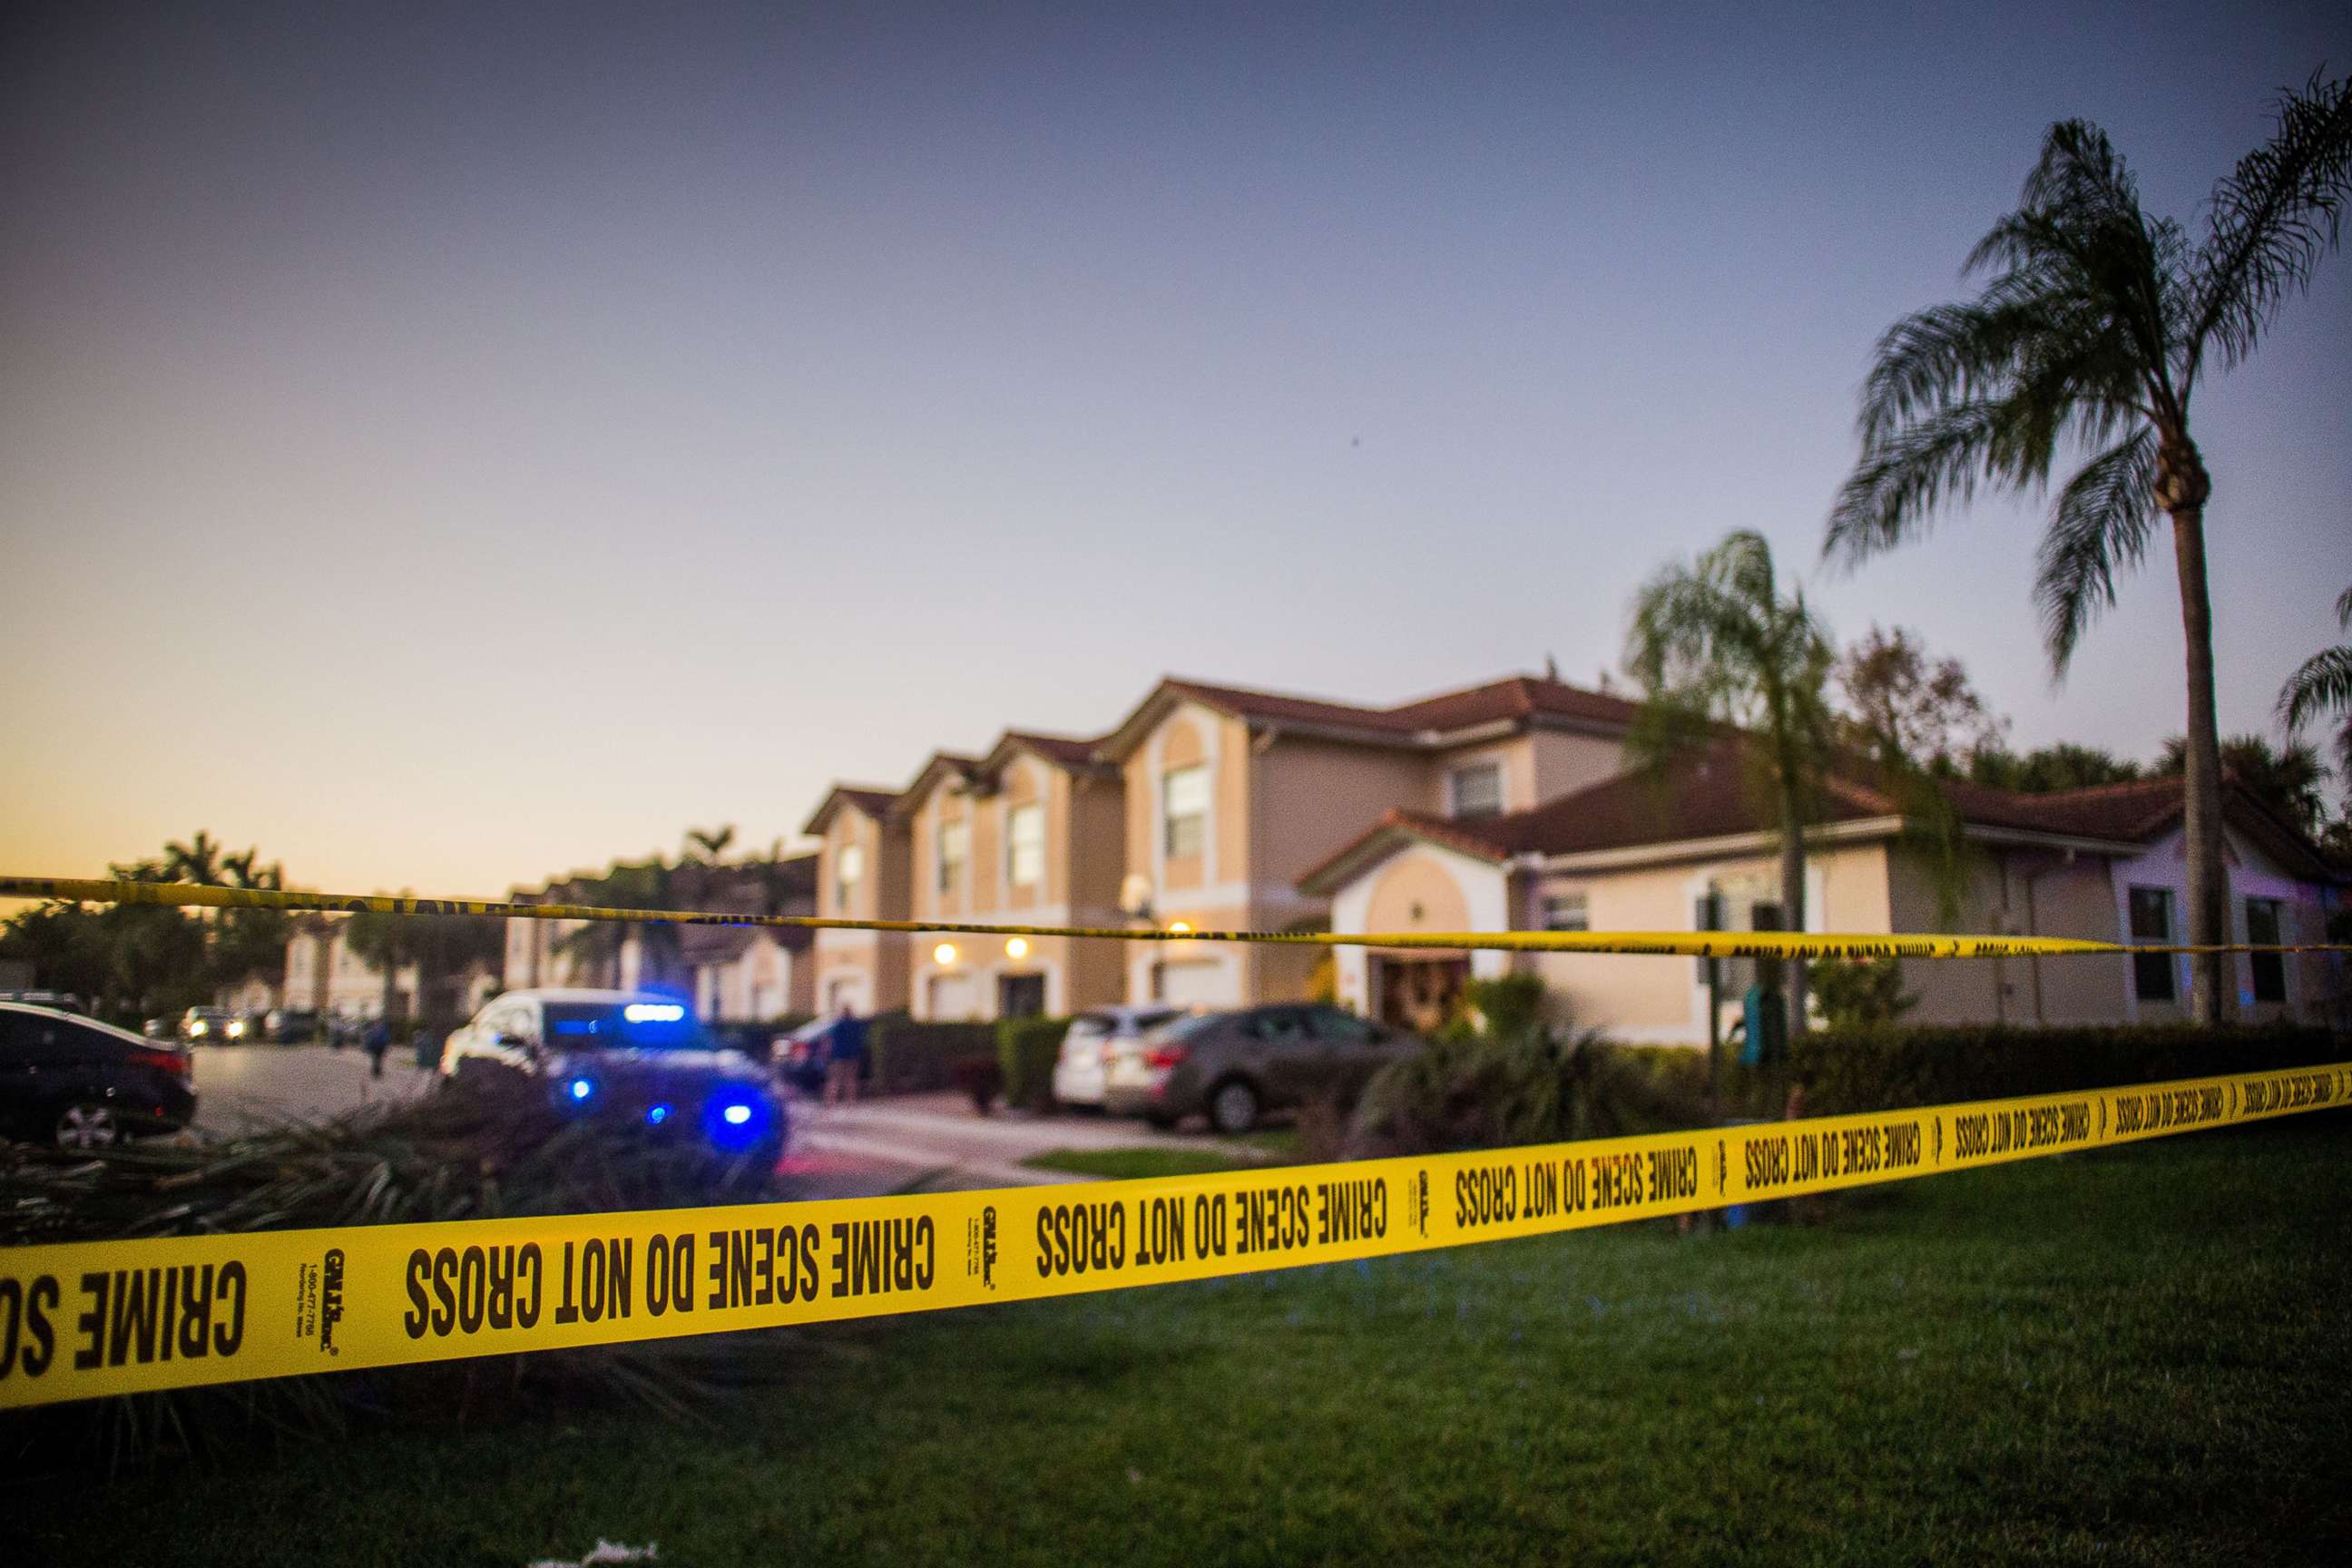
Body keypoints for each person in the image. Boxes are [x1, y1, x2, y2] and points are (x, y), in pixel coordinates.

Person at [824, 1004, 866, 1105]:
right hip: (853, 1055)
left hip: (838, 1056)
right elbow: (860, 1039)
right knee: (851, 1079)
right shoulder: (856, 1026)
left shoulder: (838, 1025)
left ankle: (831, 1101)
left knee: (835, 1079)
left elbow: (829, 1040)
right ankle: (851, 1101)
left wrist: (827, 1054)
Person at [363, 1016, 390, 1080]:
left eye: (378, 1022)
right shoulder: (377, 1028)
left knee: (378, 1059)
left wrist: (386, 1046)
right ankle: (376, 1072)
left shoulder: (382, 1028)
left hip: (380, 1046)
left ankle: (376, 1072)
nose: (378, 1023)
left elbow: (386, 1038)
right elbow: (370, 1038)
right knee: (376, 1059)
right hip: (376, 1046)